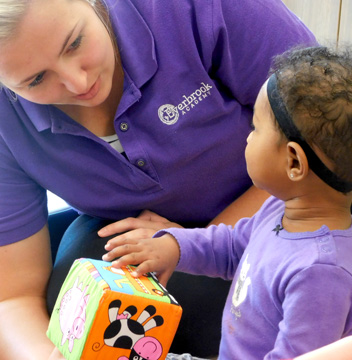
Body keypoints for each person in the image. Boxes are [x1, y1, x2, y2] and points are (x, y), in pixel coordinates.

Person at [0, 0, 316, 359]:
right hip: (156, 249)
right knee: (76, 279)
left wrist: (190, 244)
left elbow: (326, 147)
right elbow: (11, 298)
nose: (77, 81)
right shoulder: (0, 119)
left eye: (75, 43)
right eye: (35, 80)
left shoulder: (196, 9)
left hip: (287, 216)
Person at [104, 46, 352, 360]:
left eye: (256, 128)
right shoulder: (281, 209)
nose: (247, 137)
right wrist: (173, 247)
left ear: (294, 162)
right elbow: (233, 246)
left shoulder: (320, 272)